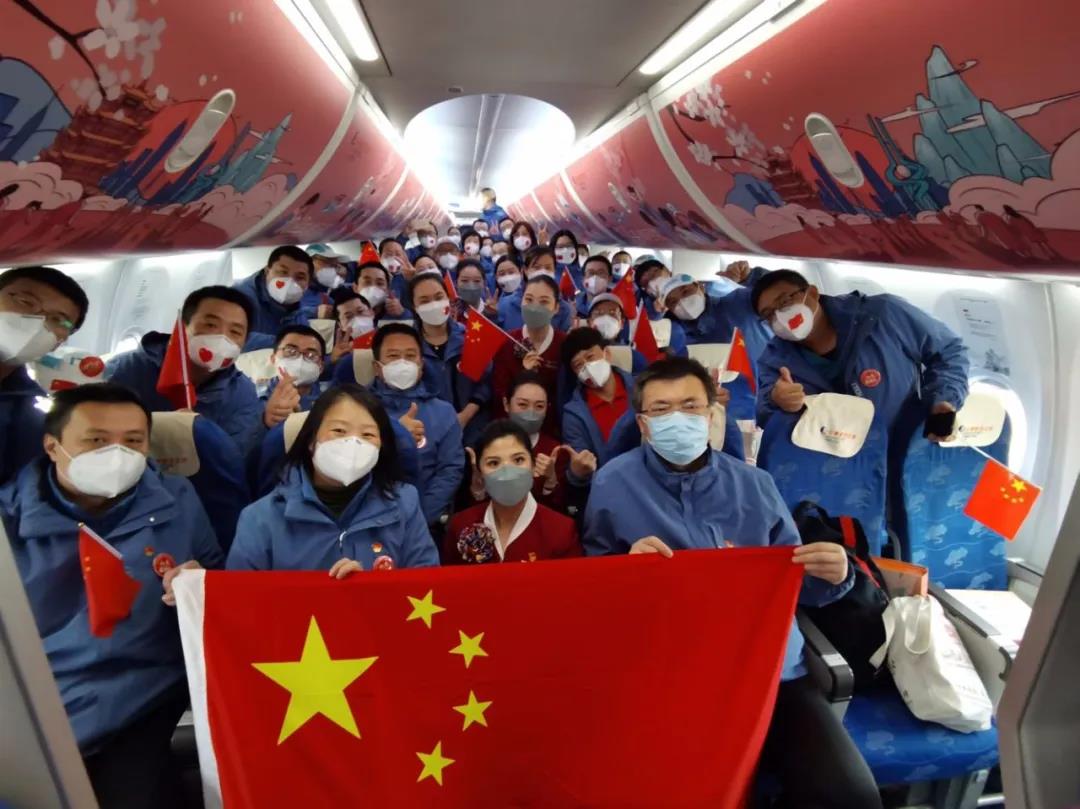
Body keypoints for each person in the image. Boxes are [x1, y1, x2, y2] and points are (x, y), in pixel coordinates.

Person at [581, 357, 882, 809]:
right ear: (643, 424)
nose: (677, 418)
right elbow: (593, 581)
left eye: (690, 406)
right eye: (661, 410)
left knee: (850, 798)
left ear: (710, 415)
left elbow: (795, 581)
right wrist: (625, 570)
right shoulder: (612, 483)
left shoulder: (755, 485)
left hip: (768, 669)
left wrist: (836, 575)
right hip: (669, 669)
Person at [2, 383, 223, 808]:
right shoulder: (9, 523)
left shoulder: (177, 498)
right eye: (97, 441)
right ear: (52, 446)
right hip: (42, 698)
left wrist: (199, 582)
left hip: (147, 691)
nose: (116, 454)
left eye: (133, 441)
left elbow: (216, 571)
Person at [227, 385, 438, 572]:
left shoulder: (404, 504)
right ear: (311, 441)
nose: (353, 444)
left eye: (367, 435)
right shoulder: (260, 519)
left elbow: (425, 585)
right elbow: (241, 598)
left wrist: (370, 589)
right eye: (339, 430)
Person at [751, 269, 969, 442]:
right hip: (841, 467)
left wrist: (943, 400)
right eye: (769, 314)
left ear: (813, 293)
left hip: (909, 447)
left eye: (785, 301)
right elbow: (764, 416)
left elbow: (948, 350)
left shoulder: (883, 315)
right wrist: (778, 401)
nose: (780, 316)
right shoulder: (775, 361)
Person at [107, 286, 266, 456]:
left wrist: (200, 433)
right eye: (211, 325)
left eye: (235, 332)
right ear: (182, 327)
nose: (222, 337)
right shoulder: (124, 370)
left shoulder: (242, 395)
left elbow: (233, 458)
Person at [445, 420, 582, 564]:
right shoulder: (461, 525)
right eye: (493, 463)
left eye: (518, 460)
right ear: (480, 473)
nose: (507, 472)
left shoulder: (561, 531)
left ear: (533, 465)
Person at [0, 265, 89, 485]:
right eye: (25, 302)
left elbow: (24, 487)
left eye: (58, 319)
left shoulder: (33, 408)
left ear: (60, 341)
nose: (37, 321)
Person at [368, 323, 464, 526]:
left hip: (425, 521)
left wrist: (419, 519)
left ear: (421, 366)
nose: (402, 363)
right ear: (377, 367)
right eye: (393, 356)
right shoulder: (357, 410)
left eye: (410, 356)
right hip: (369, 520)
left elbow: (450, 471)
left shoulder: (443, 412)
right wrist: (397, 436)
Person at [660, 272, 765, 420]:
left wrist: (751, 276)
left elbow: (778, 291)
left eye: (686, 291)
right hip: (711, 416)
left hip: (769, 402)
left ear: (701, 287)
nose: (682, 302)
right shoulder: (673, 335)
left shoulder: (738, 303)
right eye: (673, 302)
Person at [408, 271, 490, 445]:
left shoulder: (470, 337)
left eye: (439, 297)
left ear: (448, 299)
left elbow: (486, 383)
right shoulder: (408, 346)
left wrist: (465, 416)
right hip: (428, 433)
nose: (433, 304)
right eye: (424, 301)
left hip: (474, 431)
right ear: (414, 307)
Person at [491, 275, 566, 430]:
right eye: (529, 300)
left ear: (556, 308)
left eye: (544, 302)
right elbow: (499, 394)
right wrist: (524, 373)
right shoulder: (507, 341)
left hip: (553, 429)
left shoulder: (564, 343)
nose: (534, 307)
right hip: (512, 428)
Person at [560, 327, 636, 468]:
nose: (587, 367)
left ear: (607, 354)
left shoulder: (642, 388)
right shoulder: (574, 415)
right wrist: (579, 471)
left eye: (590, 357)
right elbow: (579, 464)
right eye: (578, 365)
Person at [232, 245, 312, 350]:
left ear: (308, 284)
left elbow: (305, 340)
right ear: (267, 271)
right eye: (283, 272)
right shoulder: (239, 297)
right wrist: (285, 342)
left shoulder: (297, 310)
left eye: (300, 277)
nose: (289, 282)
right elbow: (231, 338)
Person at [496, 247, 574, 332]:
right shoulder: (505, 305)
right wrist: (491, 315)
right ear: (525, 270)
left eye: (548, 268)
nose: (542, 272)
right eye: (537, 267)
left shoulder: (564, 309)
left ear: (554, 270)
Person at [261, 325, 327, 419]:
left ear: (321, 367)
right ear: (273, 358)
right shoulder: (253, 396)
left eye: (311, 355)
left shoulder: (330, 402)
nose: (300, 360)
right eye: (290, 351)